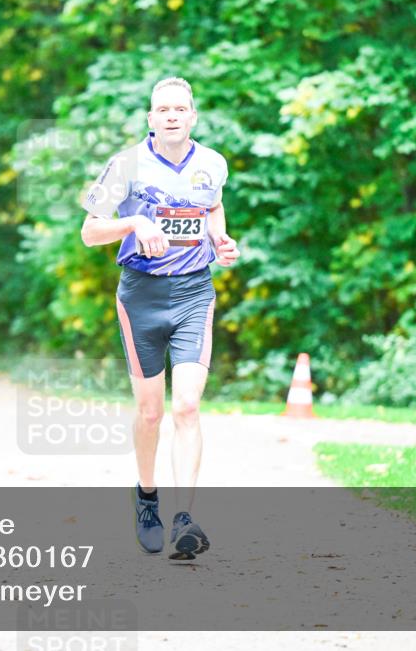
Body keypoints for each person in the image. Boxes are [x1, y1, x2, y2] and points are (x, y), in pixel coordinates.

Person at [80, 77, 241, 560]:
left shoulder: (213, 164)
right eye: (162, 109)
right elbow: (89, 233)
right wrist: (134, 222)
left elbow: (213, 208)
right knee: (151, 411)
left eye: (180, 109)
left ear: (193, 116)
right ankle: (147, 497)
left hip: (194, 292)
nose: (171, 116)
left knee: (187, 406)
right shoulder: (125, 165)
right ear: (150, 119)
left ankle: (185, 519)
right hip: (140, 296)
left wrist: (221, 240)